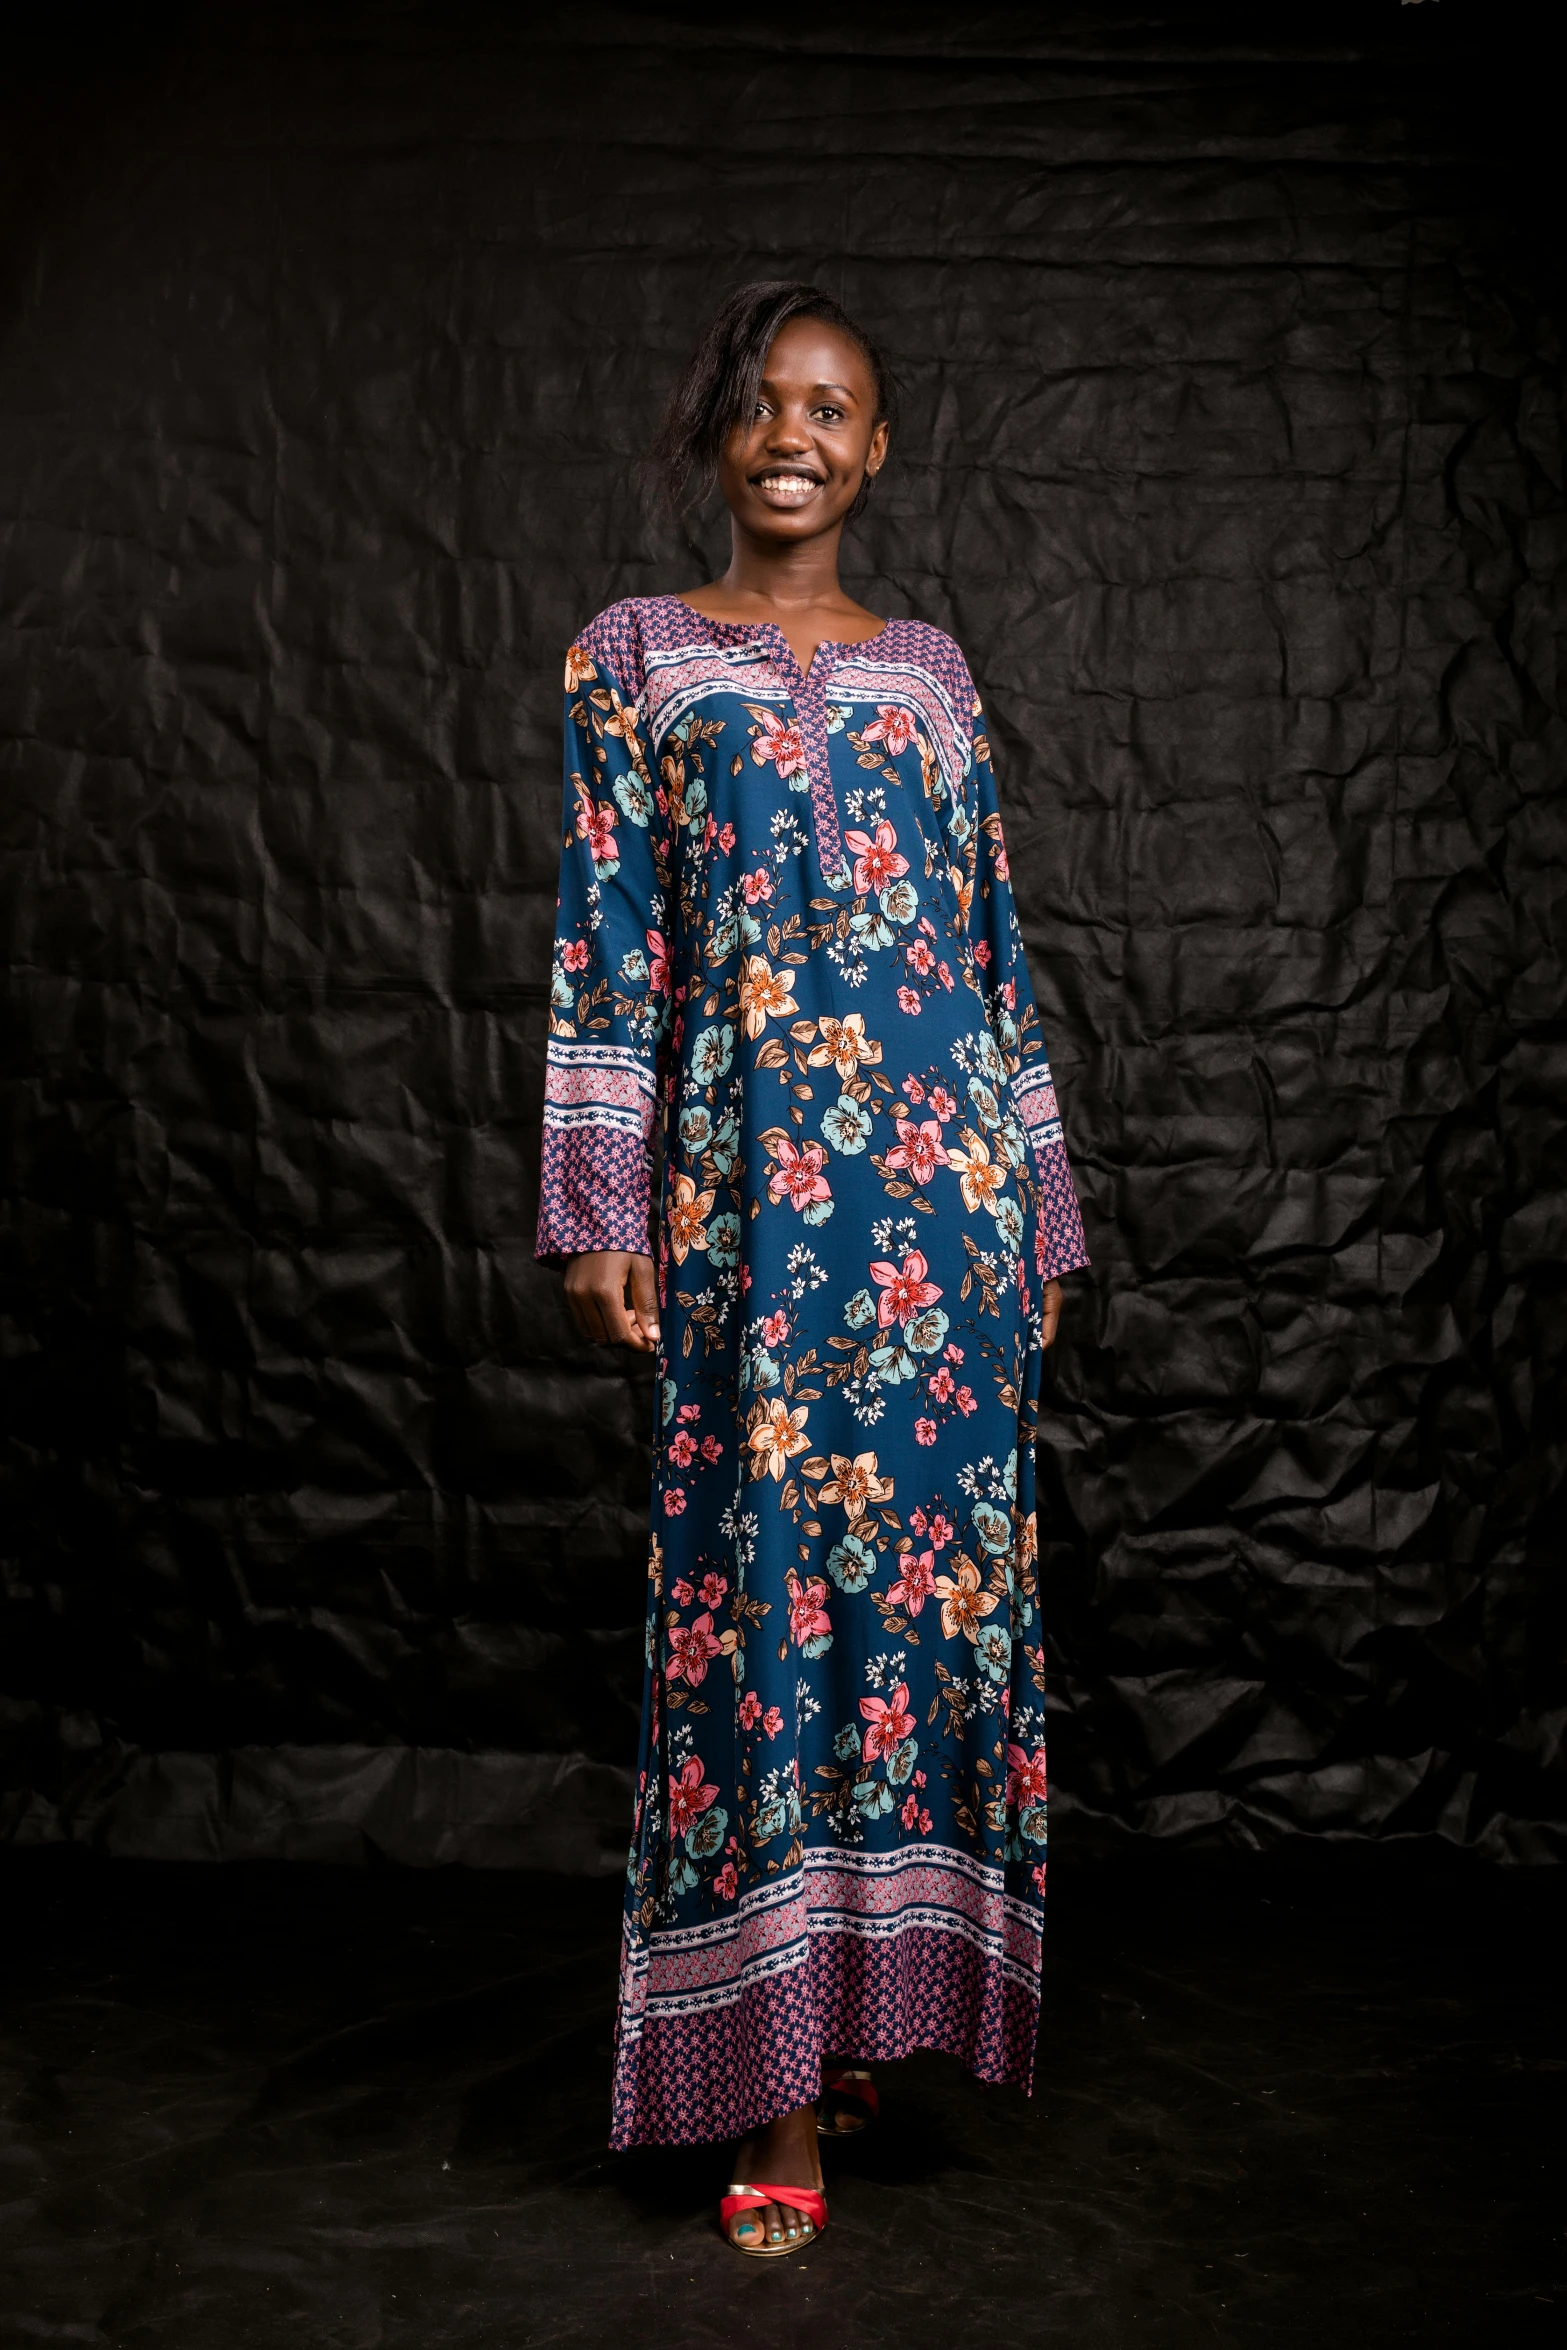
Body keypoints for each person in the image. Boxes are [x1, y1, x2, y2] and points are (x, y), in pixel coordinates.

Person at [535, 281, 1089, 2255]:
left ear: (876, 448)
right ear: (725, 432)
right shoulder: (635, 660)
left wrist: (1040, 1191)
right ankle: (771, 2090)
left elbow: (990, 942)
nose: (796, 434)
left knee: (912, 1619)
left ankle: (853, 2015)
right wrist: (606, 1204)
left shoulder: (934, 672)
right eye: (767, 403)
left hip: (938, 1226)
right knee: (765, 1617)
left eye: (833, 409)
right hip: (758, 1222)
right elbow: (610, 943)